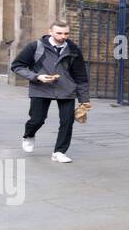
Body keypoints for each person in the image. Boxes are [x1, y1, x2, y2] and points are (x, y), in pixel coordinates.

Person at [10, 19, 90, 163]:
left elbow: (81, 76)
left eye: (66, 33)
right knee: (37, 120)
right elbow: (17, 66)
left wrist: (84, 100)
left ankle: (59, 152)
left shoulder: (73, 50)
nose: (63, 36)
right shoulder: (35, 46)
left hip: (66, 89)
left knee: (67, 122)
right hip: (40, 88)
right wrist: (37, 76)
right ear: (50, 32)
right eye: (59, 33)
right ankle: (29, 134)